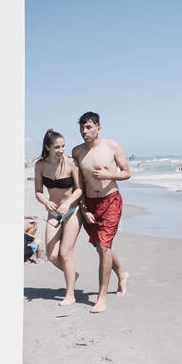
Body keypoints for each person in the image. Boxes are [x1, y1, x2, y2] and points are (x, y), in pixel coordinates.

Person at [72, 111, 131, 313]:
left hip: (111, 200)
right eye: (82, 127)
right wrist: (84, 208)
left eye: (88, 127)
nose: (84, 131)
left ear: (98, 128)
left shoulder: (111, 146)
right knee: (100, 246)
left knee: (104, 248)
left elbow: (127, 172)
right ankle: (122, 274)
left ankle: (101, 298)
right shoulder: (77, 152)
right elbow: (78, 183)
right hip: (90, 204)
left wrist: (109, 174)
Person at [34, 129, 83, 305]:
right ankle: (72, 275)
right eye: (57, 147)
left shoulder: (71, 163)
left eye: (63, 146)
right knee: (52, 255)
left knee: (65, 253)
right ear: (47, 147)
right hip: (53, 211)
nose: (61, 150)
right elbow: (38, 192)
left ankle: (70, 294)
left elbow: (79, 189)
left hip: (72, 210)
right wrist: (46, 202)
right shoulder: (40, 165)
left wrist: (67, 202)